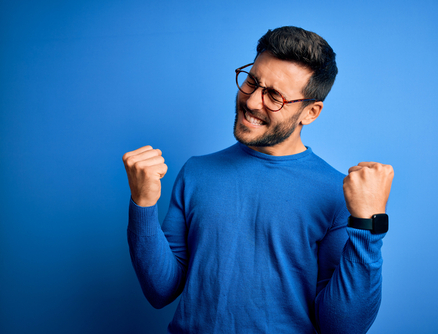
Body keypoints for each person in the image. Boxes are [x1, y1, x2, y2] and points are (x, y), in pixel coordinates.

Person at [123, 26, 394, 334]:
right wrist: (142, 203)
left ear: (311, 112)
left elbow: (342, 326)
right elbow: (161, 291)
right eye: (252, 81)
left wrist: (368, 227)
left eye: (274, 96)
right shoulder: (196, 172)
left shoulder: (336, 193)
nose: (252, 102)